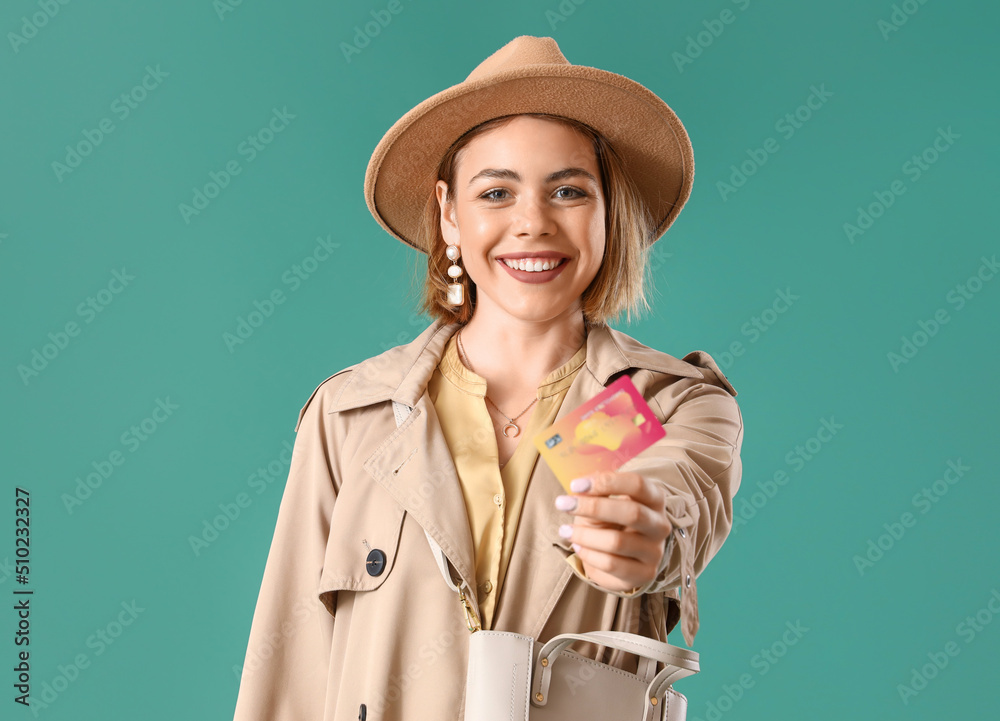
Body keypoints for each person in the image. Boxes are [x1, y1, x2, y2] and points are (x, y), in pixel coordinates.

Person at [232, 35, 744, 721]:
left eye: (567, 190)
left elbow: (680, 497)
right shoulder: (353, 415)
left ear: (606, 211)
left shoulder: (657, 404)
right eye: (496, 192)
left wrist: (645, 540)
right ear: (450, 212)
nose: (532, 222)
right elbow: (286, 670)